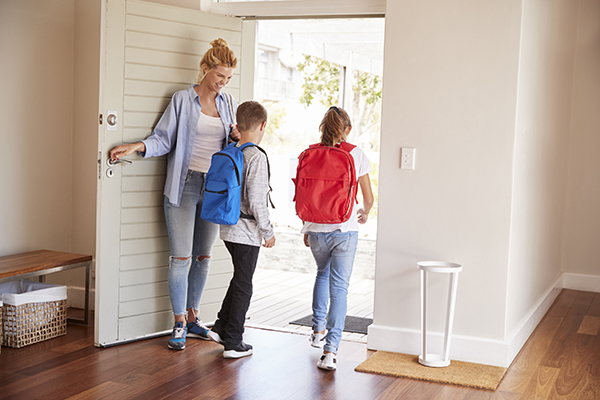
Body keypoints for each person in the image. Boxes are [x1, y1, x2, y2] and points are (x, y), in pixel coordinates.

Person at [109, 38, 239, 351]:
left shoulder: (227, 103)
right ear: (205, 69)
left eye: (228, 78)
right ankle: (179, 321)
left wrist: (237, 138)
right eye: (219, 76)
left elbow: (232, 144)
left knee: (203, 257)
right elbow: (162, 139)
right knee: (181, 257)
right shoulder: (183, 100)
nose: (223, 83)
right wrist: (136, 146)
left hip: (215, 189)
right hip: (184, 185)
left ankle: (195, 317)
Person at [302, 106, 374, 371]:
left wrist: (307, 226)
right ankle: (330, 351)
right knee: (339, 288)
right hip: (344, 229)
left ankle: (316, 330)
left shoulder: (310, 152)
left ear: (323, 128)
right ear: (348, 130)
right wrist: (364, 213)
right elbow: (368, 197)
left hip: (316, 227)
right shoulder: (355, 153)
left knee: (322, 273)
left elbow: (304, 193)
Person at [207, 101, 276, 358]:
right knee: (245, 284)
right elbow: (258, 200)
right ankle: (234, 342)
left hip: (227, 227)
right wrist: (267, 232)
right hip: (247, 232)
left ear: (238, 125)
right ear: (262, 125)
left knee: (239, 278)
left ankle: (221, 327)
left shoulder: (232, 150)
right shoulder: (256, 156)